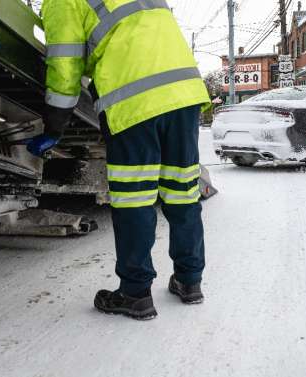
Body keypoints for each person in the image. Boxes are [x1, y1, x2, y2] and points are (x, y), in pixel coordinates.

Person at [27, 0, 210, 320]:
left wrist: (55, 123)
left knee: (133, 199)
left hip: (133, 100)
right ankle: (189, 281)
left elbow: (65, 62)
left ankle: (135, 293)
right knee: (182, 192)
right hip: (185, 94)